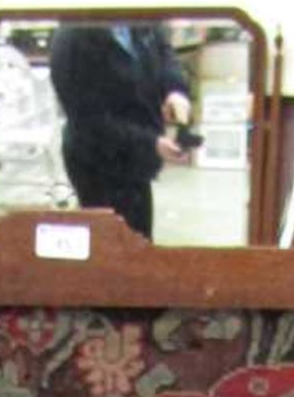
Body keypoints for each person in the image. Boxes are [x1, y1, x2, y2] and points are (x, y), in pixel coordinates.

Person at [48, 21, 193, 239]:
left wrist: (175, 90)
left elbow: (164, 54)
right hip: (97, 161)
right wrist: (150, 143)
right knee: (110, 249)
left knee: (138, 240)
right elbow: (87, 119)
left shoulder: (140, 22)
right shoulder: (72, 38)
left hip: (136, 161)